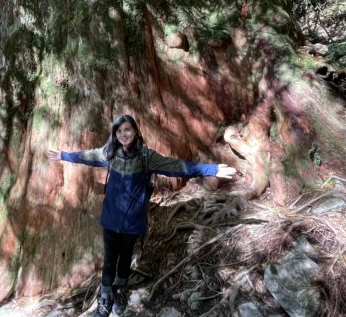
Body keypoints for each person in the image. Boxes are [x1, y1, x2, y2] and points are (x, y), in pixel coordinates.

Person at [47, 115, 236, 317]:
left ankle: (119, 291)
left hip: (133, 222)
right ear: (115, 134)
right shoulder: (109, 153)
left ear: (135, 131)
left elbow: (177, 166)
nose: (123, 134)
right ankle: (104, 301)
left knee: (125, 258)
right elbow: (87, 156)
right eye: (119, 131)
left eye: (127, 130)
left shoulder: (147, 157)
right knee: (109, 261)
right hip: (111, 220)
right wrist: (63, 155)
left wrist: (212, 169)